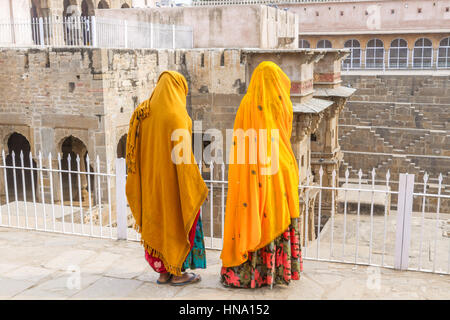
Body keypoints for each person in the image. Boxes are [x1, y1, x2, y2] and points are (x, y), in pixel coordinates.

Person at [220, 61, 302, 288]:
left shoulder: (247, 104)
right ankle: (274, 273)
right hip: (280, 169)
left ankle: (249, 274)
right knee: (274, 216)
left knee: (253, 212)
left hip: (251, 173)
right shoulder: (278, 100)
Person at [126, 71, 208, 286]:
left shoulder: (142, 113)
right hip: (173, 184)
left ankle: (163, 273)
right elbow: (183, 158)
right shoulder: (177, 115)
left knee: (156, 222)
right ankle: (179, 273)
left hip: (150, 183)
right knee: (176, 221)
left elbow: (133, 152)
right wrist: (195, 184)